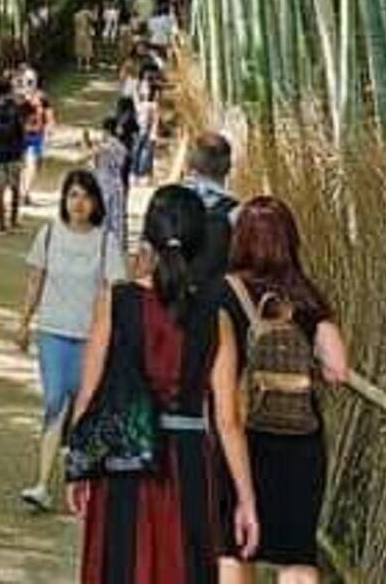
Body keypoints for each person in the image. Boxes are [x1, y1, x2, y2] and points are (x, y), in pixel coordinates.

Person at [68, 186, 259, 584]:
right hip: (188, 463)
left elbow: (89, 392)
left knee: (120, 566)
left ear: (148, 238)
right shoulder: (215, 319)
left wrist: (78, 463)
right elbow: (228, 421)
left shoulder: (116, 301)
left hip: (123, 459)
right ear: (201, 243)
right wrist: (246, 500)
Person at [218, 197, 349, 584]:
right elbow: (339, 369)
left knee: (235, 545)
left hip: (243, 435)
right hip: (300, 440)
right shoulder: (306, 297)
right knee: (296, 552)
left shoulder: (226, 293)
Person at [13, 170, 124, 512]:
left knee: (83, 410)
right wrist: (24, 321)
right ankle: (42, 484)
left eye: (86, 196)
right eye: (73, 195)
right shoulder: (49, 235)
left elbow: (117, 291)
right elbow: (36, 280)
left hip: (92, 338)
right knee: (55, 402)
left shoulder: (106, 242)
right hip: (54, 332)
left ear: (96, 203)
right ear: (64, 199)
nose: (79, 203)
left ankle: (79, 486)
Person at [181, 132, 238, 290]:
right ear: (228, 167)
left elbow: (147, 256)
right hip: (215, 302)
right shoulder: (235, 212)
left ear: (191, 162)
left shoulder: (169, 200)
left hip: (172, 297)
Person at [0, 82, 28, 233]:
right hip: (14, 152)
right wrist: (22, 150)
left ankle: (1, 225)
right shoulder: (16, 109)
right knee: (15, 188)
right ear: (9, 91)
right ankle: (14, 221)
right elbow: (22, 131)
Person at [91, 113, 133, 249]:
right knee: (116, 218)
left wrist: (85, 143)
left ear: (106, 130)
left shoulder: (105, 146)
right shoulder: (122, 147)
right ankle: (117, 245)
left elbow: (85, 156)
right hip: (117, 182)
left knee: (103, 216)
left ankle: (102, 244)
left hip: (104, 183)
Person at [19, 71, 54, 204]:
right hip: (21, 136)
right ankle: (24, 192)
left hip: (37, 136)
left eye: (31, 80)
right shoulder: (18, 97)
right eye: (27, 80)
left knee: (34, 164)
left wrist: (49, 131)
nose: (29, 83)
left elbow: (49, 116)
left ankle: (26, 192)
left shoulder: (42, 97)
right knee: (24, 166)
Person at [74, 3, 98, 68]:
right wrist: (96, 11)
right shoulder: (87, 13)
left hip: (78, 34)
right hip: (86, 33)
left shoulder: (76, 14)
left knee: (79, 49)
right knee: (88, 49)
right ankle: (87, 64)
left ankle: (79, 64)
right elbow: (95, 19)